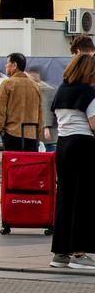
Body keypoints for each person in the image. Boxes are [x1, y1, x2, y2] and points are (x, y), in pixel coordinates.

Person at [49, 53, 95, 269]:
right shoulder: (89, 92)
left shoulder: (61, 90)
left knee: (65, 198)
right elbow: (94, 124)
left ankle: (60, 253)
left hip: (63, 145)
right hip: (83, 145)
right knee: (83, 198)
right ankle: (79, 252)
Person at [0, 53, 43, 152]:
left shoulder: (7, 84)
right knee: (29, 166)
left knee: (14, 166)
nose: (5, 66)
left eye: (7, 63)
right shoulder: (35, 86)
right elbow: (40, 112)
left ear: (14, 65)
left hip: (12, 133)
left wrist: (1, 129)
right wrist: (38, 133)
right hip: (31, 134)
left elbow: (1, 110)